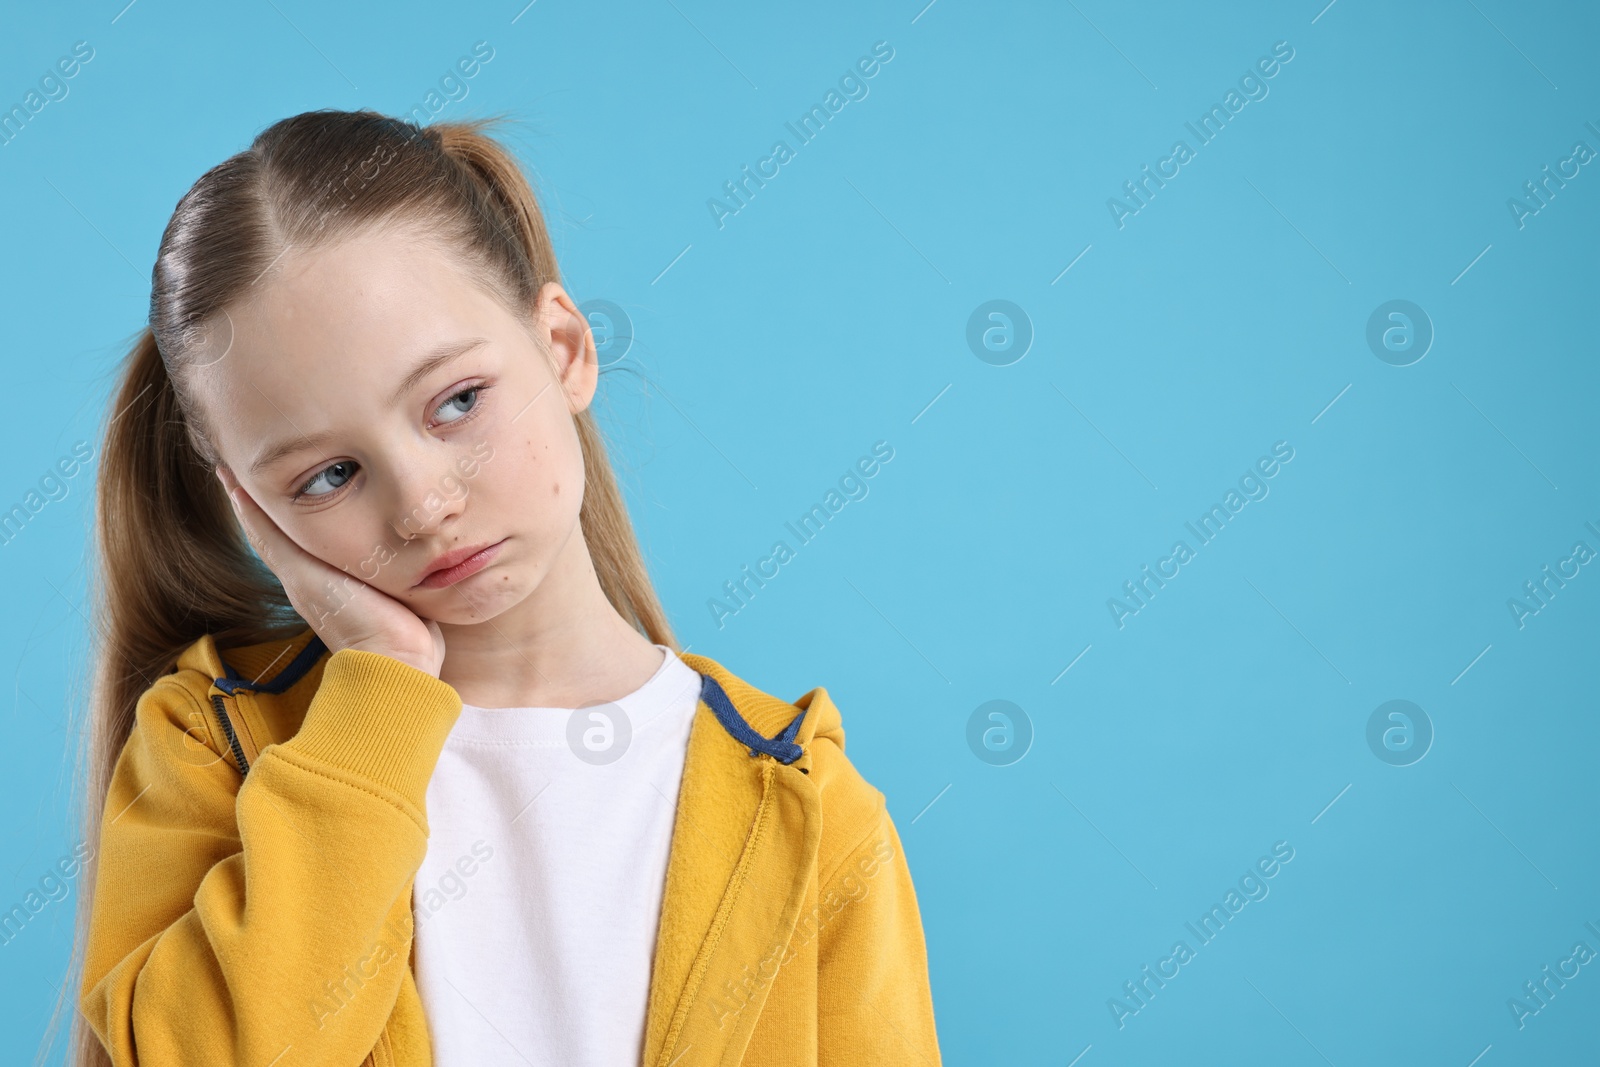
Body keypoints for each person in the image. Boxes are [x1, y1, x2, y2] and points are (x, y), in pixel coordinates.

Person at [56, 108, 940, 1066]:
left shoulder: (808, 807)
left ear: (563, 347)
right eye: (328, 475)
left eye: (457, 402)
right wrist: (380, 693)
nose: (424, 505)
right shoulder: (210, 745)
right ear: (253, 512)